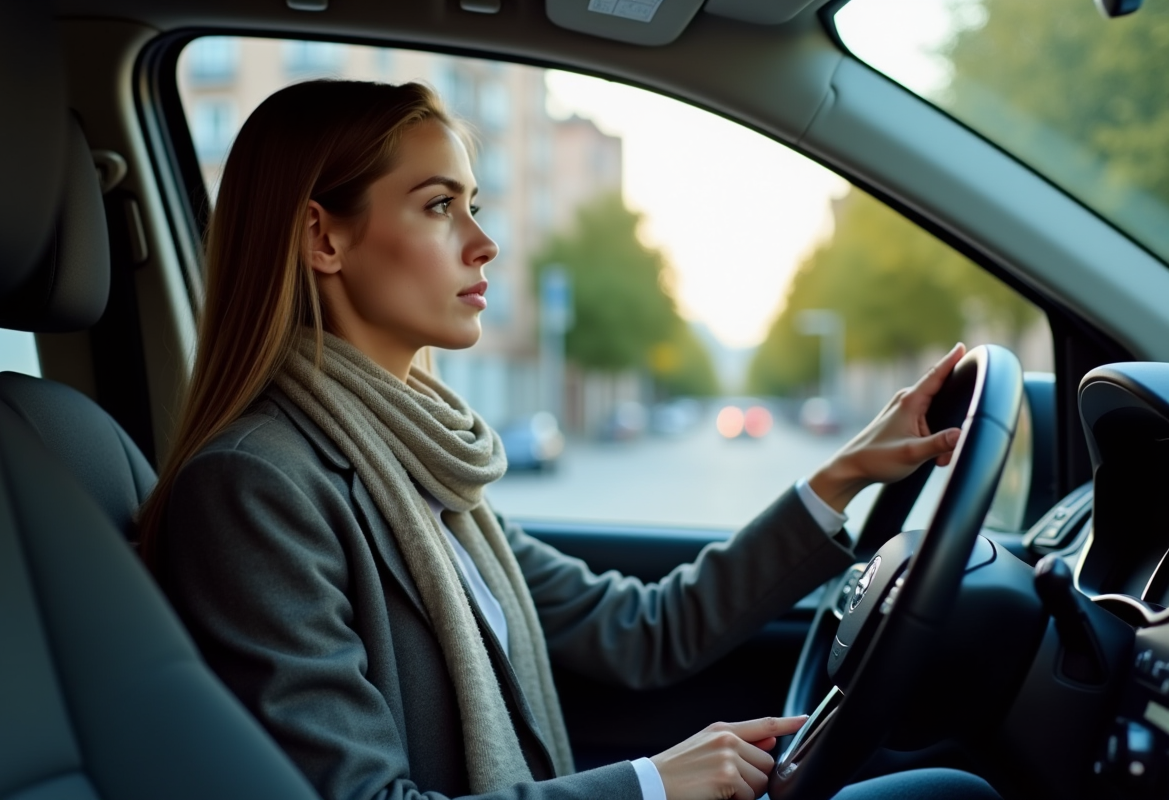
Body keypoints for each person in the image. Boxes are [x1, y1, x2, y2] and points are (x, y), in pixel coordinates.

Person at [141, 80, 1000, 800]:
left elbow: (641, 629)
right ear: (324, 237)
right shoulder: (256, 485)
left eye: (474, 205)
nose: (485, 243)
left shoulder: (423, 469)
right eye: (440, 207)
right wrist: (652, 786)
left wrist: (845, 471)